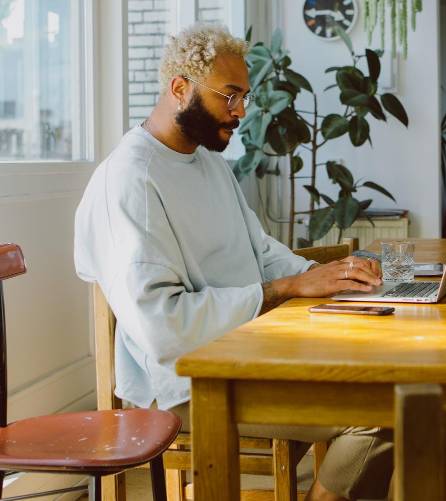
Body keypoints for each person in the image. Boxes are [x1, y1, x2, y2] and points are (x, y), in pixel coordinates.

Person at [74, 23, 392, 501]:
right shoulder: (129, 180)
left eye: (244, 96)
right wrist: (283, 290)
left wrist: (325, 277)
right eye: (230, 95)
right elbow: (164, 327)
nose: (241, 111)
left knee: (391, 372)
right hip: (189, 384)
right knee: (383, 407)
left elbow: (259, 249)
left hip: (246, 355)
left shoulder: (208, 163)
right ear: (180, 89)